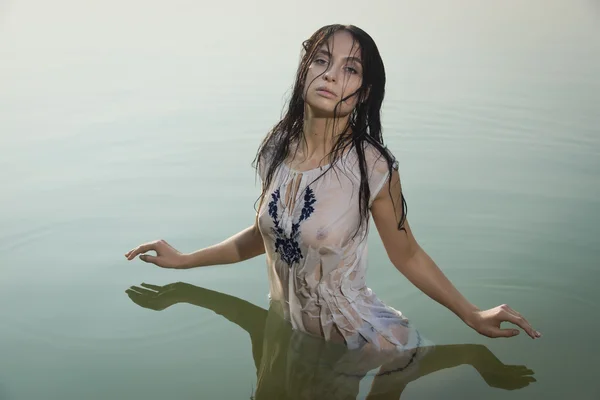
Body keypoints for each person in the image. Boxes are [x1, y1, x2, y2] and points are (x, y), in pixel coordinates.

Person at [124, 24, 541, 352]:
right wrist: (183, 260)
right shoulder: (276, 148)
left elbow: (408, 253)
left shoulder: (372, 167)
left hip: (361, 344)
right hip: (286, 337)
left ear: (364, 92)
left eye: (350, 68)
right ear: (305, 68)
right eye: (322, 59)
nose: (331, 74)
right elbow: (267, 235)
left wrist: (471, 314)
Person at [125, 281, 536, 399]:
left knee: (398, 365)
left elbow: (246, 320)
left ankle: (473, 355)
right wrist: (183, 276)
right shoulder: (270, 383)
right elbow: (260, 236)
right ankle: (473, 358)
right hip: (333, 339)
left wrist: (185, 290)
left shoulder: (270, 384)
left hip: (362, 331)